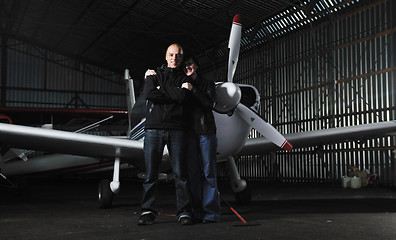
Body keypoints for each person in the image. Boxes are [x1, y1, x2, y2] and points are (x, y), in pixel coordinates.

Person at [138, 43, 192, 226]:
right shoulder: (154, 74)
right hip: (153, 129)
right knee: (151, 173)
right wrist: (176, 93)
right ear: (166, 56)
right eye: (171, 54)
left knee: (180, 174)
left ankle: (184, 212)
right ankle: (147, 210)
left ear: (182, 58)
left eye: (178, 55)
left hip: (177, 129)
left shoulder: (186, 78)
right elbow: (149, 94)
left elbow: (184, 97)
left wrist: (162, 92)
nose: (174, 58)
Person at [181, 56, 221, 223]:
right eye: (185, 65)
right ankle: (197, 212)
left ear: (196, 66)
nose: (187, 67)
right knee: (193, 174)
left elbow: (209, 104)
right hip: (189, 134)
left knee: (208, 172)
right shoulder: (180, 83)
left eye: (190, 64)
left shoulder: (207, 83)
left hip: (206, 132)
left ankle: (211, 214)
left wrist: (193, 90)